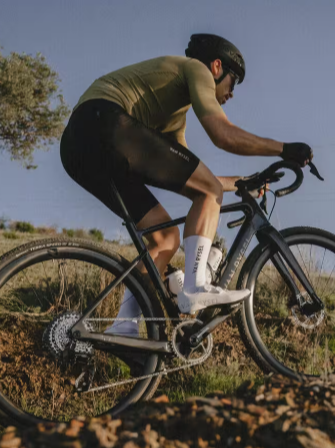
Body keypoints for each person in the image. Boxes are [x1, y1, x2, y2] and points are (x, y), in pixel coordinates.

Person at [60, 34, 313, 339]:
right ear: (217, 67)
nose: (231, 93)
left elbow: (194, 176)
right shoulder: (197, 69)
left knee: (165, 238)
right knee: (207, 191)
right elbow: (223, 134)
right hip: (105, 121)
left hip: (78, 146)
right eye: (233, 82)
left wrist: (242, 183)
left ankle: (123, 326)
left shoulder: (171, 114)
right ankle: (194, 286)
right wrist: (283, 149)